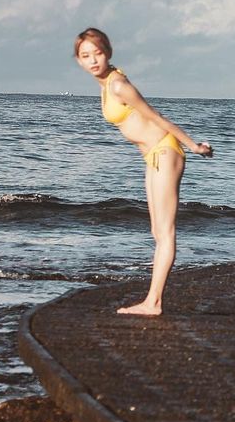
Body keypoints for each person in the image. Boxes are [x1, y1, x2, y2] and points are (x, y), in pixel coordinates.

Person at [74, 27, 213, 316]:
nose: (93, 60)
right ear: (79, 60)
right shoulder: (105, 84)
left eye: (98, 53)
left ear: (108, 52)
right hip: (152, 155)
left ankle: (154, 303)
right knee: (156, 230)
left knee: (165, 232)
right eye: (86, 55)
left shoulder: (118, 85)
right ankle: (152, 301)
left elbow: (156, 116)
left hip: (165, 149)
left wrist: (195, 146)